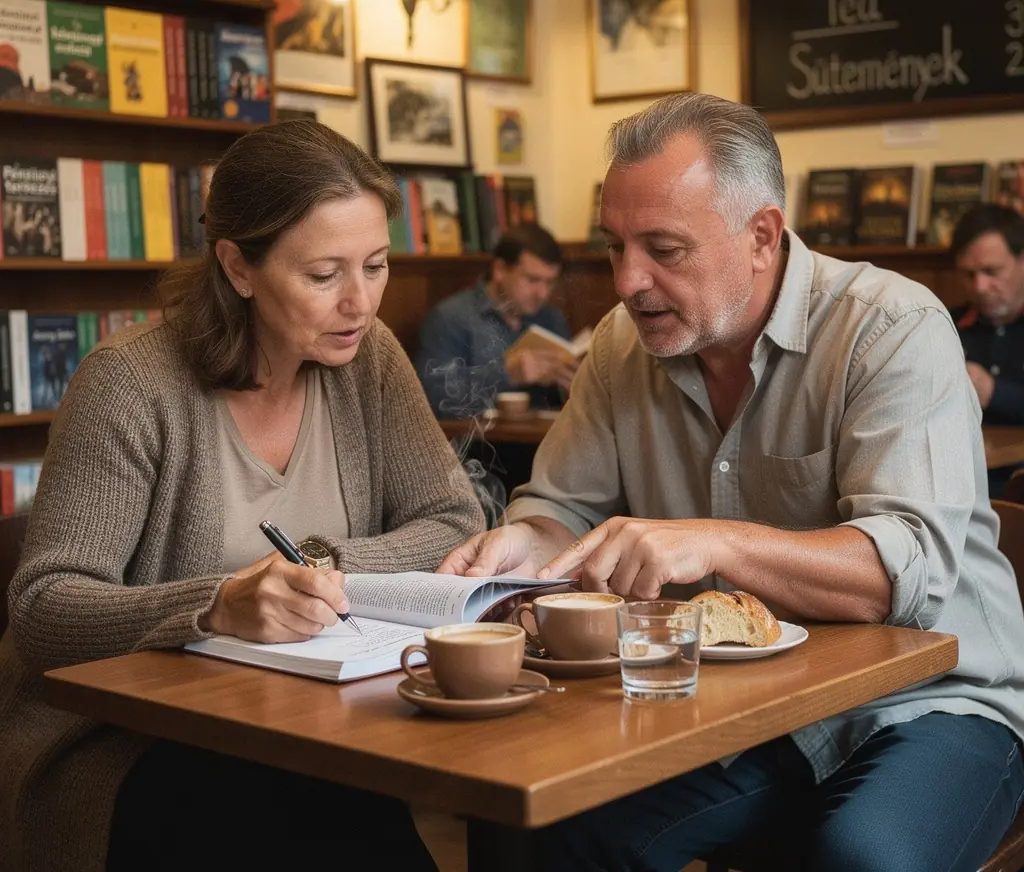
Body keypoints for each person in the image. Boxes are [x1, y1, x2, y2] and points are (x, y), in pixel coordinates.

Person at [440, 93, 1024, 872]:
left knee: (860, 860)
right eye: (614, 247)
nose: (627, 281)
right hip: (729, 708)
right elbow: (562, 510)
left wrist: (712, 540)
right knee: (536, 829)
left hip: (929, 702)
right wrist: (522, 542)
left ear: (761, 237)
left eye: (664, 249)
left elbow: (898, 574)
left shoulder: (890, 326)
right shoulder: (621, 348)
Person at [0, 120, 484, 872]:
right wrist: (218, 604)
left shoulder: (369, 359)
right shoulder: (129, 383)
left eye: (378, 265)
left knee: (373, 828)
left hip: (315, 719)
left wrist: (321, 565)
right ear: (238, 266)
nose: (361, 302)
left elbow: (455, 520)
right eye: (324, 276)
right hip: (134, 742)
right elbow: (44, 608)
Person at [415, 224, 576, 418]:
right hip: (478, 444)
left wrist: (573, 388)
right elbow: (433, 397)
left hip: (545, 441)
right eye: (532, 280)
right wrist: (506, 375)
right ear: (500, 269)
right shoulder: (450, 318)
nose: (542, 293)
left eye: (549, 282)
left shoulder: (551, 320)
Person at [951, 203, 1024, 498]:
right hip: (959, 486)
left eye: (991, 271)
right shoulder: (944, 323)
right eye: (969, 275)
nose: (980, 287)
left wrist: (993, 392)